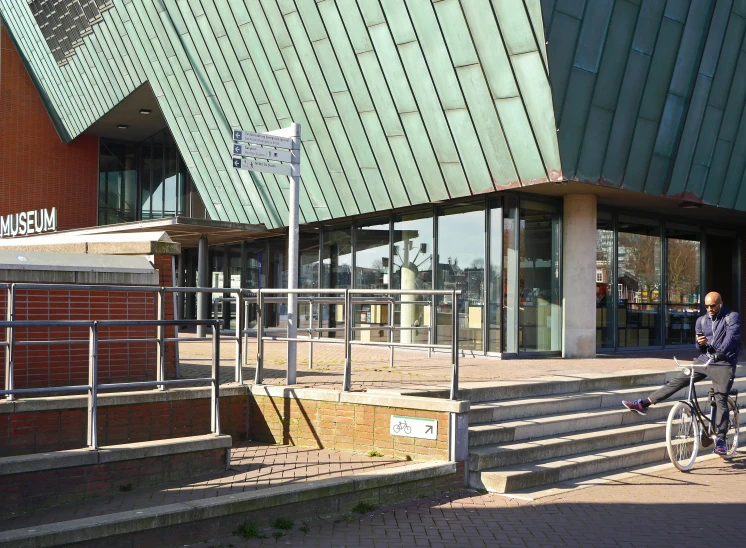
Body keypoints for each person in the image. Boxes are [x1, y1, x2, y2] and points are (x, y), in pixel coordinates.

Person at [622, 292, 741, 456]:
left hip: (723, 363)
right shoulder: (701, 321)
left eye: (713, 306)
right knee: (678, 380)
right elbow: (699, 347)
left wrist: (718, 351)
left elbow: (731, 340)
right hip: (705, 360)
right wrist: (701, 345)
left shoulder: (732, 317)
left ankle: (720, 440)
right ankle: (644, 404)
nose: (710, 309)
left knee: (720, 399)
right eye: (707, 306)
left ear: (721, 303)